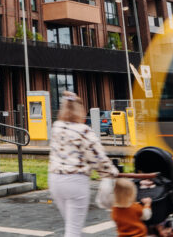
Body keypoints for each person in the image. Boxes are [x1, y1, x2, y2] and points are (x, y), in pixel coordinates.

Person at [49, 91, 121, 237]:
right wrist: (111, 173)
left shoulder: (56, 127)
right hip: (75, 181)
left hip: (55, 179)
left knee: (69, 223)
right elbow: (97, 157)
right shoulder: (83, 130)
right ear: (80, 110)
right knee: (73, 229)